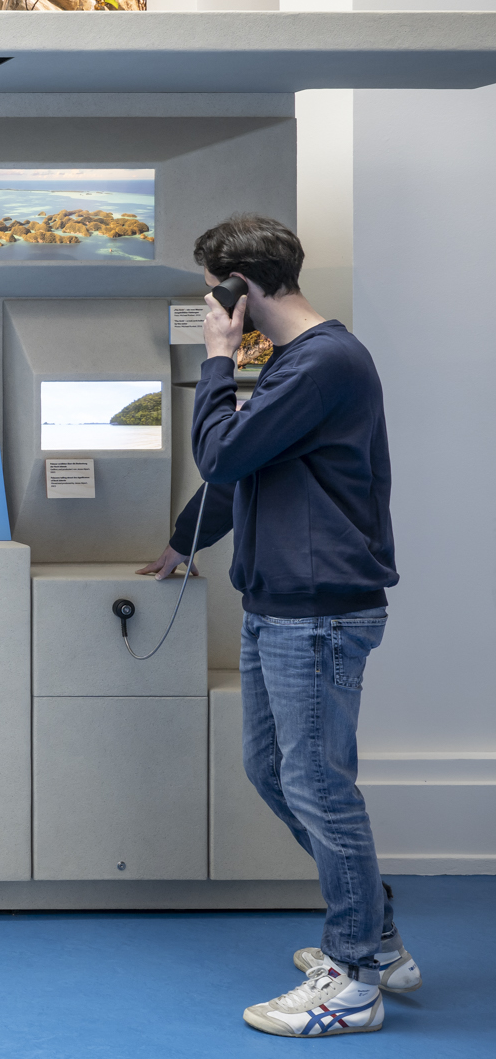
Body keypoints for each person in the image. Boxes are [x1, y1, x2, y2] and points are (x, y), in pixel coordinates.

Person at [136, 216, 408, 1038]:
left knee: (319, 786)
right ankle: (375, 934)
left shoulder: (323, 361)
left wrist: (215, 355)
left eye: (211, 296)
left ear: (234, 290)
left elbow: (220, 453)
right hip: (279, 605)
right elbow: (247, 470)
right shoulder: (299, 364)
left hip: (318, 610)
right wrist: (186, 541)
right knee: (273, 772)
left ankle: (355, 976)